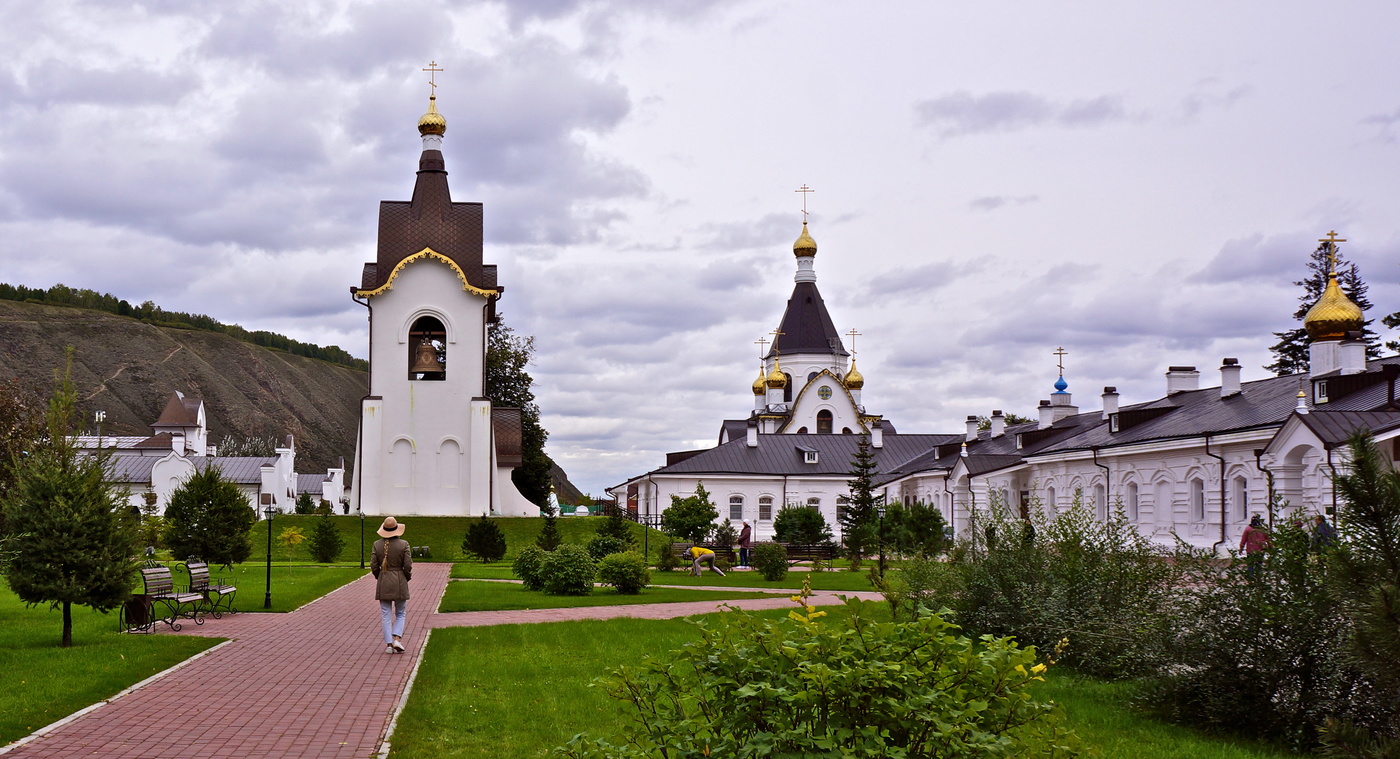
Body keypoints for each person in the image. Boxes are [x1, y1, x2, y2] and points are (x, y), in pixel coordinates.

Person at [372, 516, 413, 654]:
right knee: (400, 613)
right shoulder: (404, 544)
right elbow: (407, 565)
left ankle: (389, 644)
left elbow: (374, 565)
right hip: (399, 580)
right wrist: (406, 577)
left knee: (386, 614)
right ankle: (397, 639)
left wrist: (380, 577)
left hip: (384, 579)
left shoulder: (376, 545)